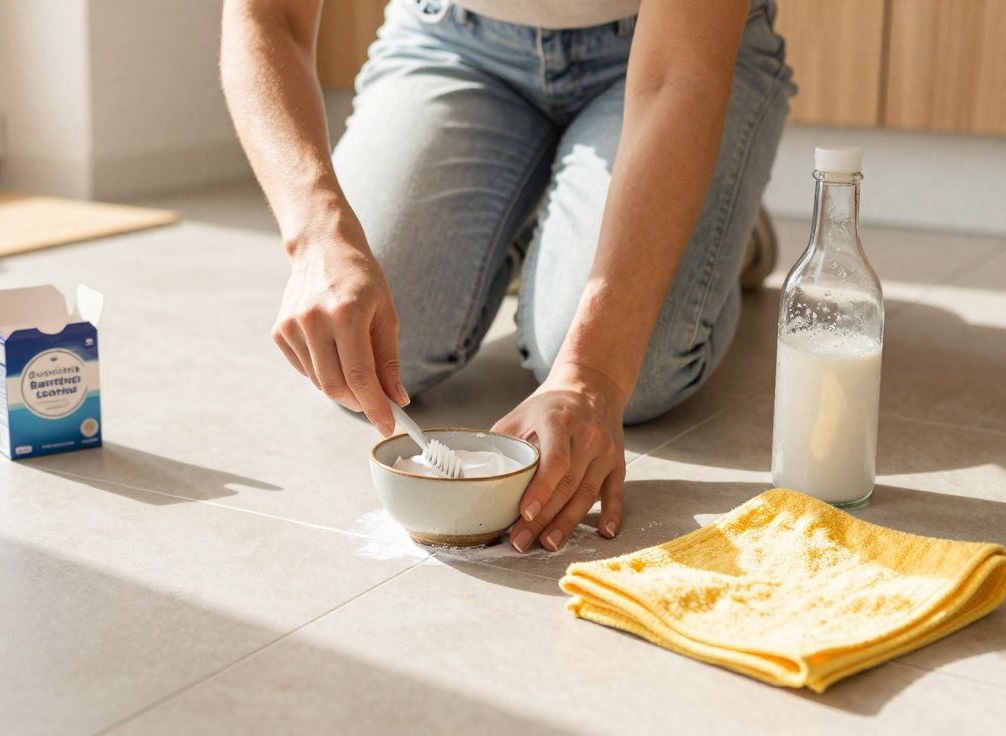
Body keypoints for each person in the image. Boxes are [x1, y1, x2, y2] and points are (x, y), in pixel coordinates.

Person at [220, 0, 794, 552]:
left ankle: (721, 227)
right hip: (454, 37)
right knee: (372, 345)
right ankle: (548, 220)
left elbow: (678, 74)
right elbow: (268, 13)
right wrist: (317, 235)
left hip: (665, 48)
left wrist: (590, 373)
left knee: (636, 380)